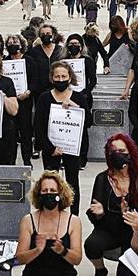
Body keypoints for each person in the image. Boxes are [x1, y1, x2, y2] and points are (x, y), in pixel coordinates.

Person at [16, 170, 83, 276]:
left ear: (60, 193)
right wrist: (37, 250)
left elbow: (77, 259)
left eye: (53, 191)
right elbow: (20, 257)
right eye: (45, 190)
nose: (49, 194)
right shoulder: (28, 220)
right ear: (39, 194)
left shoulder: (74, 221)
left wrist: (62, 250)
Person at [84, 134, 138, 276]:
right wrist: (100, 213)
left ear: (130, 152)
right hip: (109, 228)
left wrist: (127, 211)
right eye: (113, 151)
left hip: (133, 233)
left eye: (122, 150)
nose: (118, 154)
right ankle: (100, 270)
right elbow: (93, 214)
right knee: (91, 245)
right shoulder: (102, 179)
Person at [34, 61, 88, 214]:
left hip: (72, 148)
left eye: (63, 76)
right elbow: (38, 126)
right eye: (57, 76)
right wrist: (50, 148)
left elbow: (88, 122)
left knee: (73, 183)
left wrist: (76, 108)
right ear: (52, 78)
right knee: (50, 183)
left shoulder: (78, 97)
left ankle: (74, 215)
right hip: (51, 149)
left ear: (70, 77)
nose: (60, 79)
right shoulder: (44, 98)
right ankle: (49, 212)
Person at [4, 34, 38, 166]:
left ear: (21, 44)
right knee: (11, 132)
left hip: (24, 101)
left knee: (26, 131)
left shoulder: (29, 60)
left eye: (16, 42)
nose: (13, 44)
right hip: (10, 102)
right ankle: (11, 159)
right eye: (10, 42)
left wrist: (28, 93)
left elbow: (35, 80)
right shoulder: (5, 61)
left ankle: (26, 158)